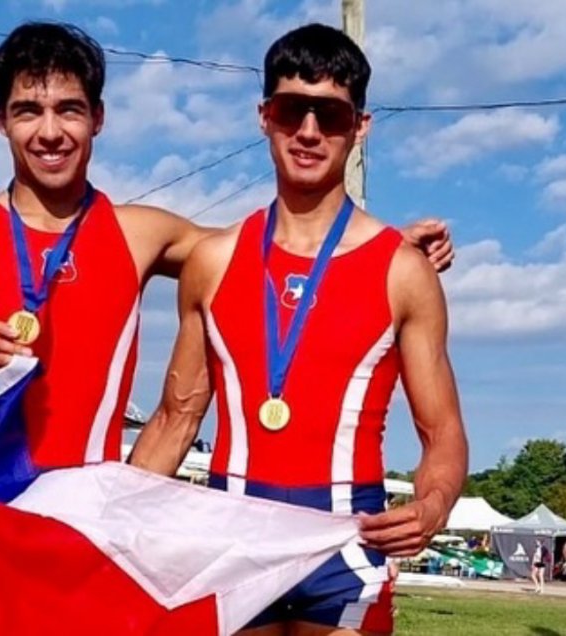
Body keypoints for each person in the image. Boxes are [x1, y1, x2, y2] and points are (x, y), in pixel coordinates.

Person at [0, 21, 453, 635]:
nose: (50, 132)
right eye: (28, 111)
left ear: (97, 118)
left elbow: (285, 253)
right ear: (0, 120)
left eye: (69, 110)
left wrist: (389, 251)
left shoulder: (141, 234)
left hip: (85, 524)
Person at [129, 23, 468, 635]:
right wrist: (117, 523)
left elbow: (441, 430)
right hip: (232, 538)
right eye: (292, 110)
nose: (309, 131)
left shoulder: (403, 271)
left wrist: (434, 505)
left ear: (360, 127)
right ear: (265, 116)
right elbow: (175, 419)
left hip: (347, 539)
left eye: (330, 115)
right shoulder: (213, 262)